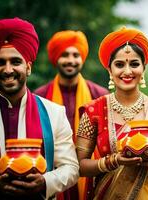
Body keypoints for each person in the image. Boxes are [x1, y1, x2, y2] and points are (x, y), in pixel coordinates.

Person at [76, 27, 148, 200]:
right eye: (119, 64)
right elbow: (80, 166)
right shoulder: (93, 111)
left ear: (144, 69)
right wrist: (114, 161)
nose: (127, 71)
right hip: (110, 193)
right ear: (109, 70)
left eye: (134, 64)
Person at [0, 18, 79, 199]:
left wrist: (45, 182)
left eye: (15, 62)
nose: (8, 69)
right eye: (1, 62)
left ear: (28, 67)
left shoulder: (54, 112)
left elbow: (71, 168)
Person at [34, 30, 108, 200]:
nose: (70, 60)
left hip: (92, 175)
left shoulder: (98, 95)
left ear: (82, 58)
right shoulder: (40, 97)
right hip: (53, 174)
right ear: (56, 59)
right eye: (64, 55)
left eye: (75, 54)